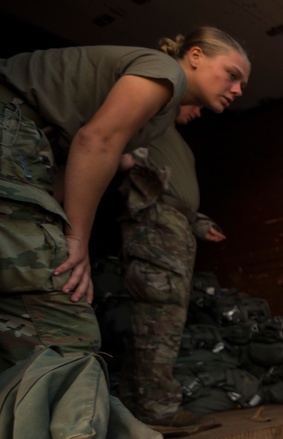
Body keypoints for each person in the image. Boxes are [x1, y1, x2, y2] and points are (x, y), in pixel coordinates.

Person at [0, 27, 250, 374]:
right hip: (9, 122)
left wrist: (54, 227)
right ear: (195, 57)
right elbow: (94, 141)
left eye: (242, 85)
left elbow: (67, 165)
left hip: (24, 156)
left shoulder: (158, 119)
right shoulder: (166, 73)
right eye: (232, 75)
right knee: (61, 316)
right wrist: (76, 240)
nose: (237, 90)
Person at [117, 105, 227, 427]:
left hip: (175, 230)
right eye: (194, 103)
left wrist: (199, 223)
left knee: (162, 320)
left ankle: (136, 405)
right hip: (155, 230)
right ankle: (158, 409)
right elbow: (122, 153)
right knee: (158, 320)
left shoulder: (174, 137)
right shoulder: (151, 117)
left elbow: (178, 195)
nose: (198, 112)